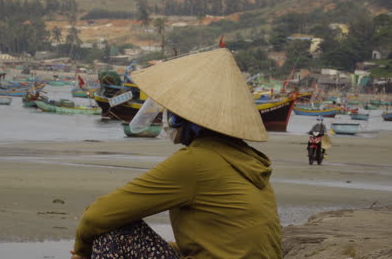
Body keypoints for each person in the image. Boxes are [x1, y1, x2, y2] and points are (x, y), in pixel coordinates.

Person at [71, 48, 282, 259]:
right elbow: (223, 244)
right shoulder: (248, 161)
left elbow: (95, 217)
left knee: (112, 230)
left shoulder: (196, 162)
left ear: (182, 117)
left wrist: (81, 253)